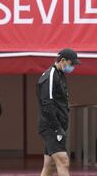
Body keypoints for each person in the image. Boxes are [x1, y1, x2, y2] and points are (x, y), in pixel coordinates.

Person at [38, 48, 80, 176]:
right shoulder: (51, 75)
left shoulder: (60, 74)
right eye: (71, 64)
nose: (72, 67)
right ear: (62, 61)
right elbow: (47, 103)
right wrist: (57, 128)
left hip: (57, 126)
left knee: (49, 165)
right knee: (63, 161)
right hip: (51, 126)